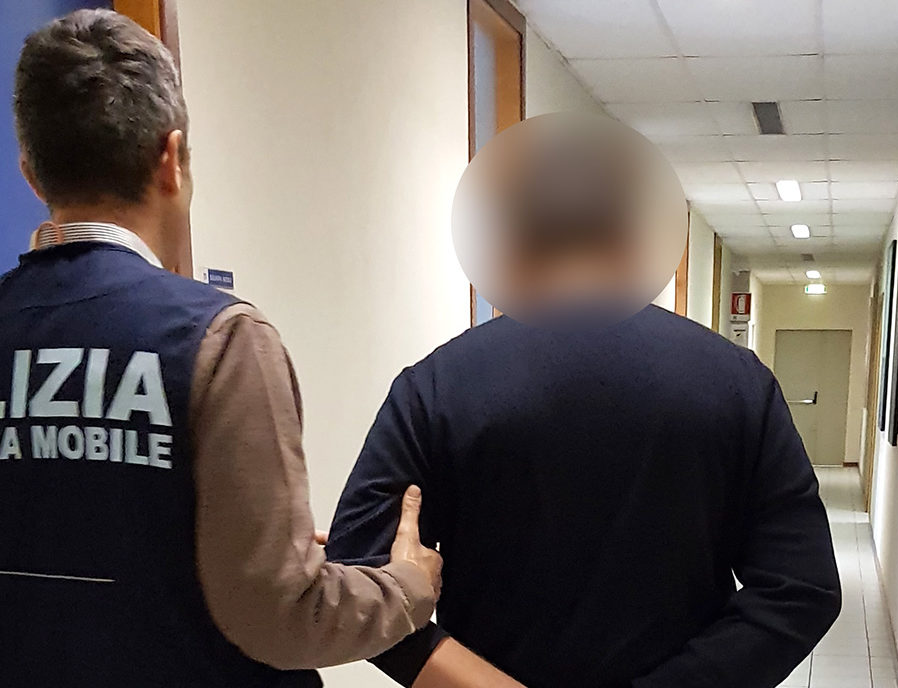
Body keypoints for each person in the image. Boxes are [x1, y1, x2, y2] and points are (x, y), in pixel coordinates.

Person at [0, 10, 444, 687]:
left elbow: (40, 572)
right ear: (172, 157)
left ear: (31, 174)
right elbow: (279, 616)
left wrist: (258, 548)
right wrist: (406, 587)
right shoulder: (219, 341)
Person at [325, 116, 843, 688]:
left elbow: (357, 587)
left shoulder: (434, 387)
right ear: (637, 234)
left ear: (507, 237)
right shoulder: (737, 383)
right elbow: (801, 590)